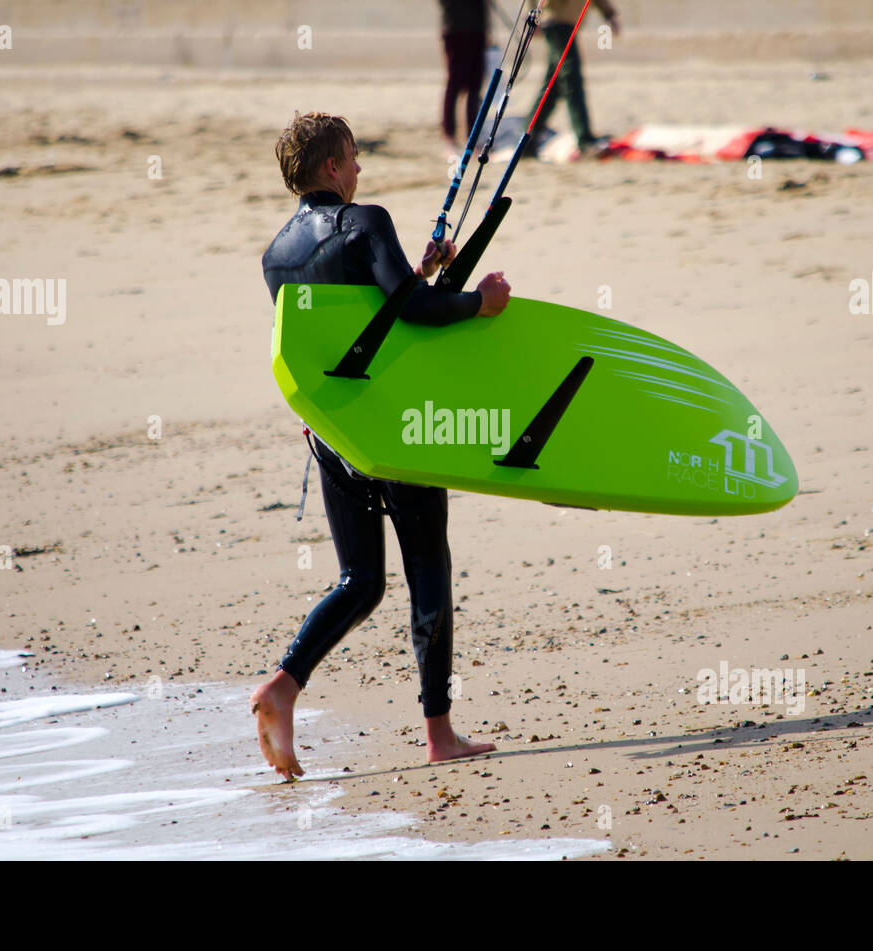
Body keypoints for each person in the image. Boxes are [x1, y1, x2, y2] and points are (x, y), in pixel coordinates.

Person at [254, 112, 511, 780]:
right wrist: (478, 304)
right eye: (354, 157)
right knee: (428, 562)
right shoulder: (366, 220)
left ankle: (282, 685)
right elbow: (416, 312)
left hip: (335, 434)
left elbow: (361, 319)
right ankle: (439, 732)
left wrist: (420, 273)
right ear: (333, 168)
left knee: (360, 581)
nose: (361, 168)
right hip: (398, 427)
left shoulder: (276, 254)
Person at [526, 0, 619, 159]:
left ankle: (527, 139)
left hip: (566, 22)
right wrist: (533, 15)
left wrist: (608, 14)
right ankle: (584, 140)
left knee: (553, 86)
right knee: (571, 79)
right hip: (555, 21)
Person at [437, 0, 490, 153]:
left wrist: (487, 32)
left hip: (477, 31)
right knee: (454, 83)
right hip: (455, 29)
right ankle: (449, 135)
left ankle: (472, 137)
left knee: (475, 86)